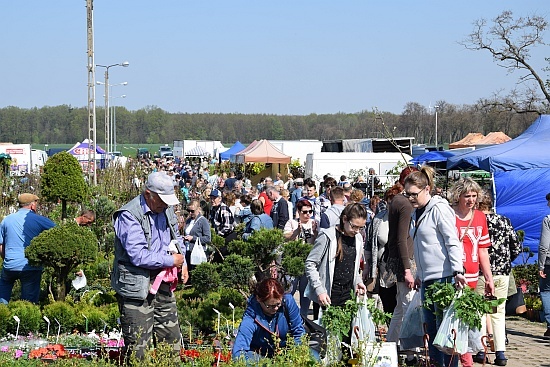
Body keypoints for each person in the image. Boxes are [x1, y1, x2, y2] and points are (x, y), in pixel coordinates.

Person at [111, 171, 188, 361]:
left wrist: (183, 260)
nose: (165, 205)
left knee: (171, 343)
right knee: (138, 350)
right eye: (161, 200)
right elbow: (138, 255)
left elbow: (176, 237)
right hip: (136, 287)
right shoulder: (128, 215)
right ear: (148, 194)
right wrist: (172, 261)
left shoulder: (165, 209)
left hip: (162, 283)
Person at [404, 166, 466, 367]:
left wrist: (458, 271)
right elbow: (423, 248)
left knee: (445, 334)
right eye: (407, 194)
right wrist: (419, 273)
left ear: (427, 189)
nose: (411, 198)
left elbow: (452, 241)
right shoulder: (417, 213)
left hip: (444, 277)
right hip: (427, 280)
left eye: (414, 194)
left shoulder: (439, 209)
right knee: (431, 332)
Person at [305, 203, 368, 344]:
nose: (357, 231)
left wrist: (358, 282)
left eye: (361, 227)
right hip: (328, 296)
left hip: (348, 296)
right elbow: (310, 264)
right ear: (344, 219)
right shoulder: (327, 236)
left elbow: (354, 267)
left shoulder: (357, 239)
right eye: (354, 226)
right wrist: (319, 290)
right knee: (328, 341)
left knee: (347, 340)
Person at [450, 178, 495, 367]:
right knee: (454, 320)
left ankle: (467, 358)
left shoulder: (479, 217)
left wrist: (489, 278)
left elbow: (483, 250)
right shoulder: (450, 215)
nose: (470, 200)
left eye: (474, 196)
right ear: (458, 196)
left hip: (473, 276)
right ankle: (458, 359)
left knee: (469, 320)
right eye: (466, 196)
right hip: (453, 276)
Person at [475, 191, 521, 365]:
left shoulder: (476, 222)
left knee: (480, 311)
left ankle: (481, 350)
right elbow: (515, 245)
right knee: (498, 312)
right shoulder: (504, 221)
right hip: (502, 273)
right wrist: (506, 261)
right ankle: (500, 353)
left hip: (480, 272)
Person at [232, 278, 305, 363]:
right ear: (259, 299)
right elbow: (238, 352)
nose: (276, 308)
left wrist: (294, 356)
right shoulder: (251, 315)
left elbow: (299, 333)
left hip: (287, 351)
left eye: (278, 304)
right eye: (270, 306)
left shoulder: (287, 302)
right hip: (260, 354)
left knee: (314, 356)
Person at [384, 177, 417, 366]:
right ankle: (410, 353)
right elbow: (401, 238)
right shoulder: (404, 204)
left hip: (400, 259)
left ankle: (390, 346)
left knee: (400, 308)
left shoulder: (397, 201)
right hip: (405, 261)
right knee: (408, 307)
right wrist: (407, 268)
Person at [0, 193, 56, 304]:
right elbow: (59, 232)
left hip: (9, 265)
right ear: (32, 205)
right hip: (30, 267)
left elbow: (1, 245)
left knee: (2, 298)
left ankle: (3, 317)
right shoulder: (38, 220)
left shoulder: (6, 220)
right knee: (28, 304)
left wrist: (7, 258)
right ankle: (25, 319)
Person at [284, 199, 318, 317]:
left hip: (308, 261)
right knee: (289, 290)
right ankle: (286, 314)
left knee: (305, 292)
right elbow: (285, 237)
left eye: (310, 211)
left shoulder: (313, 223)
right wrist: (297, 231)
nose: (308, 214)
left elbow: (317, 243)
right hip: (293, 261)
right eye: (304, 212)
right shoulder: (292, 222)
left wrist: (315, 232)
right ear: (298, 212)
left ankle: (303, 316)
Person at [183, 200, 211, 276]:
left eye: (192, 211)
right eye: (188, 210)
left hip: (197, 252)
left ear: (198, 209)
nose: (190, 213)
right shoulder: (188, 220)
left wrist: (193, 238)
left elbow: (208, 238)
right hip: (187, 251)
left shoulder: (203, 221)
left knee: (196, 274)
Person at [538, 192, 550, 338]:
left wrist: (540, 265)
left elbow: (544, 245)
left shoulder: (547, 220)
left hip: (549, 262)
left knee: (546, 291)